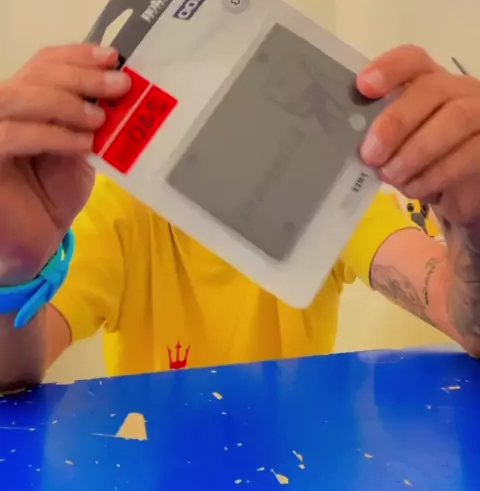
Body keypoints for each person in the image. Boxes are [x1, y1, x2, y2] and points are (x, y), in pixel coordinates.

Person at [0, 43, 479, 390]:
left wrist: (471, 224)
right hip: (159, 467)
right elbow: (14, 375)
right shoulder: (119, 211)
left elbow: (457, 312)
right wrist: (12, 267)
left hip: (297, 468)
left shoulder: (321, 193)